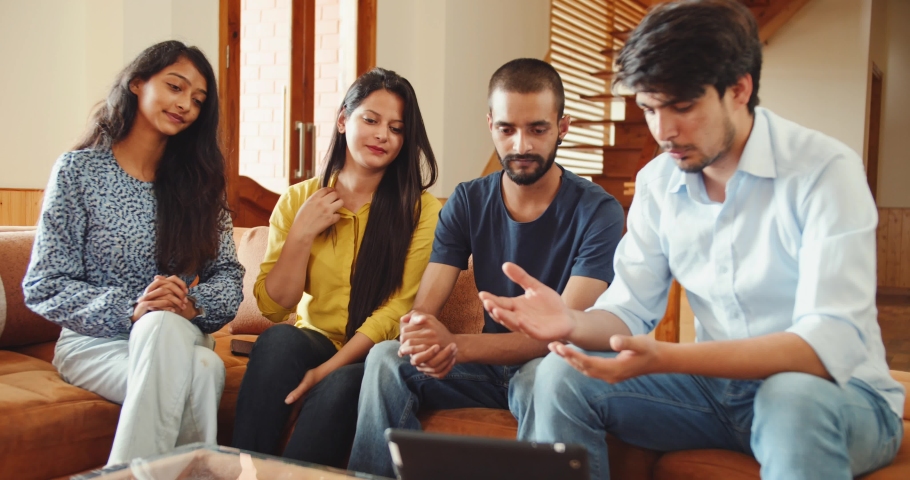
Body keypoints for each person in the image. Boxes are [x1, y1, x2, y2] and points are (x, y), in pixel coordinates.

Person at [481, 2, 906, 479]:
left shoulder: (823, 170)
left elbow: (826, 343)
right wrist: (571, 321)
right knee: (558, 376)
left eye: (682, 107)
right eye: (649, 109)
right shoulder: (658, 181)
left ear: (739, 89)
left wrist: (669, 357)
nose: (664, 131)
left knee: (790, 398)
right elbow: (628, 309)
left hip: (836, 395)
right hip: (715, 394)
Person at [347, 58, 626, 478]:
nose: (521, 145)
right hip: (487, 367)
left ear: (562, 127)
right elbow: (423, 310)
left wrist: (456, 346)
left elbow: (560, 333)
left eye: (538, 129)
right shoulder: (467, 201)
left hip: (551, 364)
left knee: (546, 379)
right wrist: (422, 337)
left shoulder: (599, 211)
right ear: (490, 125)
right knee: (386, 358)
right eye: (507, 129)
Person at [23, 41, 244, 465]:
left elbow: (229, 276)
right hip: (94, 344)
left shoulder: (200, 185)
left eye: (198, 100)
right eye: (175, 87)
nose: (186, 105)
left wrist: (190, 304)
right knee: (203, 372)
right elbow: (43, 285)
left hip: (179, 332)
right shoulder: (79, 171)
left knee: (163, 325)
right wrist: (133, 309)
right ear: (137, 83)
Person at [230, 68, 441, 468]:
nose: (382, 135)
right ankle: (243, 470)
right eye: (371, 120)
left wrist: (324, 371)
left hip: (374, 354)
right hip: (316, 339)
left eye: (396, 128)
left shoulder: (421, 210)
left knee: (343, 383)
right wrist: (301, 234)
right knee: (278, 340)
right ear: (343, 120)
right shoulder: (298, 200)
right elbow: (274, 307)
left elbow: (399, 310)